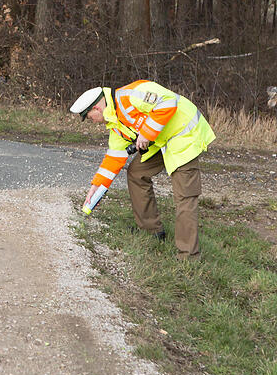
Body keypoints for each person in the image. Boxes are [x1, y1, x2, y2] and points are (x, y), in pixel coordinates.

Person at [70, 81, 216, 259]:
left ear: (96, 109)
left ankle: (188, 257)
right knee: (136, 173)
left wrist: (146, 133)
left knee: (184, 196)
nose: (91, 121)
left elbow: (168, 102)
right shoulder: (115, 123)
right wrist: (96, 187)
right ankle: (151, 230)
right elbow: (113, 159)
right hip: (162, 141)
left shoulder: (131, 95)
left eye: (89, 117)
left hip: (184, 135)